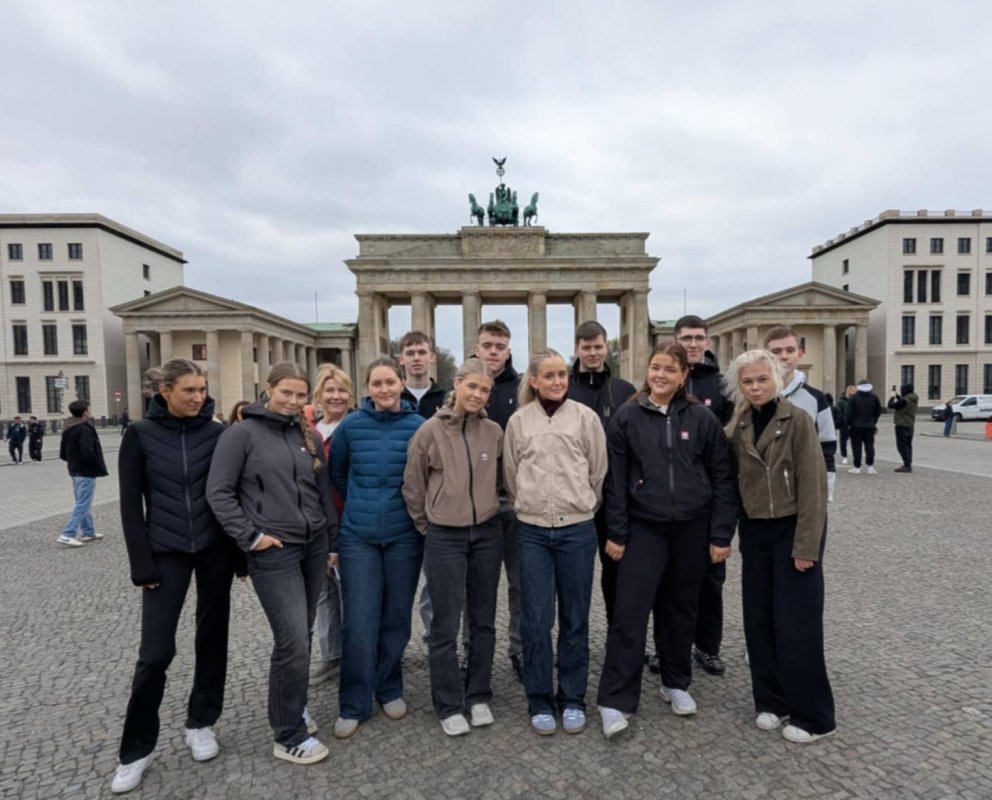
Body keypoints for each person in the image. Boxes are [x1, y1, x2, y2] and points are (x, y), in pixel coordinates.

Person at [109, 360, 243, 795]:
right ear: (164, 391)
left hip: (215, 550)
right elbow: (130, 503)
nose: (199, 397)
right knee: (155, 653)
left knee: (212, 638)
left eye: (202, 389)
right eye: (189, 390)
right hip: (164, 552)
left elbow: (234, 492)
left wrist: (241, 555)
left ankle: (201, 721)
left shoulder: (218, 433)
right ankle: (135, 750)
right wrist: (141, 564)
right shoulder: (139, 434)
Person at [596, 341, 736, 739]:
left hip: (692, 527)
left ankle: (676, 682)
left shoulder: (702, 418)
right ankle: (615, 699)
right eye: (656, 367)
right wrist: (616, 532)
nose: (661, 375)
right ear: (648, 370)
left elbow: (722, 477)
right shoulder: (626, 417)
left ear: (683, 376)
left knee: (680, 610)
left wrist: (720, 533)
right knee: (630, 612)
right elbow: (614, 481)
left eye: (669, 370)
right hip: (643, 527)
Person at [207, 362, 338, 766]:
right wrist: (251, 537)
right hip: (273, 549)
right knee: (292, 639)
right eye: (286, 393)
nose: (294, 401)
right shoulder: (241, 434)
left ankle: (293, 705)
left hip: (313, 545)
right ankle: (287, 734)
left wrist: (330, 542)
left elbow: (321, 493)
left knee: (302, 634)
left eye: (301, 395)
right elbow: (219, 492)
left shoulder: (308, 434)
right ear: (268, 389)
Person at [724, 349, 835, 744]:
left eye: (762, 379)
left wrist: (807, 547)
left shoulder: (798, 420)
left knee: (797, 625)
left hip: (792, 530)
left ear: (776, 379)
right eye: (748, 381)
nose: (755, 387)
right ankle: (771, 700)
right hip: (755, 533)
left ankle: (815, 716)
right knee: (759, 621)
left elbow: (814, 488)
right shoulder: (738, 425)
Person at [503, 348, 607, 736]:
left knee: (575, 618)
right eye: (549, 375)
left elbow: (597, 472)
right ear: (533, 381)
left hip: (577, 530)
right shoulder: (519, 421)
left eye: (562, 374)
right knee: (536, 619)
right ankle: (540, 699)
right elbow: (511, 475)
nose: (558, 381)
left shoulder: (585, 418)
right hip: (532, 531)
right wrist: (531, 505)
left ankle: (573, 697)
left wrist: (580, 503)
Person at [403, 358, 504, 736]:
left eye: (484, 390)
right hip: (445, 535)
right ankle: (447, 703)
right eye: (472, 386)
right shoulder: (429, 431)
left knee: (483, 620)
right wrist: (427, 525)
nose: (477, 394)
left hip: (487, 534)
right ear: (457, 384)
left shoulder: (493, 432)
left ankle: (478, 694)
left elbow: (501, 480)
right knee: (444, 624)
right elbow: (413, 486)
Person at [329, 357, 424, 740]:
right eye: (376, 383)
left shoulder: (419, 426)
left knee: (396, 617)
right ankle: (354, 701)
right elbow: (337, 474)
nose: (384, 389)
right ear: (367, 388)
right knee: (359, 620)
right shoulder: (351, 426)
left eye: (390, 382)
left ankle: (389, 687)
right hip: (359, 537)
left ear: (401, 383)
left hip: (404, 536)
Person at [647, 315, 734, 680]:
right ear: (676, 341)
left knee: (711, 580)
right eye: (687, 338)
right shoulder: (662, 382)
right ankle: (666, 646)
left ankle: (707, 646)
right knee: (667, 580)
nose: (694, 343)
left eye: (699, 338)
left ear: (708, 341)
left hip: (708, 497)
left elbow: (730, 440)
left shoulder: (723, 384)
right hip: (670, 501)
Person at [566, 320, 635, 627]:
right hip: (574, 494)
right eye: (587, 347)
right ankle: (573, 639)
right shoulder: (564, 389)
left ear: (607, 347)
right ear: (577, 349)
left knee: (617, 570)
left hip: (616, 495)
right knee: (574, 574)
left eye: (598, 346)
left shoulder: (624, 390)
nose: (593, 353)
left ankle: (617, 633)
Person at [474, 319, 524, 682]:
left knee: (521, 583)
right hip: (476, 503)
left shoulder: (522, 389)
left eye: (500, 346)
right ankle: (474, 654)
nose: (493, 352)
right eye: (488, 345)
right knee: (477, 587)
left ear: (508, 351)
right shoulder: (464, 387)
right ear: (476, 348)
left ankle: (520, 650)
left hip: (517, 501)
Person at [303, 364, 356, 686]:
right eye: (330, 390)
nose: (336, 396)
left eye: (342, 390)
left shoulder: (355, 427)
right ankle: (331, 654)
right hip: (314, 523)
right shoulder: (307, 431)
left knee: (350, 593)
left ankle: (357, 657)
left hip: (348, 519)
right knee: (323, 594)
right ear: (319, 395)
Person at [763, 327, 837, 502]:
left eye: (790, 350)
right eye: (776, 351)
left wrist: (827, 489)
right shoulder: (755, 396)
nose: (784, 356)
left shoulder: (816, 398)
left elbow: (827, 445)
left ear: (800, 353)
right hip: (764, 490)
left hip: (804, 487)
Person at [57, 400, 108, 547]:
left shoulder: (68, 428)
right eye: (89, 409)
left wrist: (74, 462)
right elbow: (88, 452)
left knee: (82, 501)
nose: (90, 411)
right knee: (83, 504)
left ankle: (88, 531)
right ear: (85, 412)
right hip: (86, 471)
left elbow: (63, 453)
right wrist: (95, 464)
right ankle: (67, 534)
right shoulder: (84, 429)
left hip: (74, 470)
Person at [398, 331, 448, 418]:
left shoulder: (446, 400)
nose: (416, 358)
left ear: (431, 357)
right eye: (410, 353)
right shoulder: (395, 398)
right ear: (401, 359)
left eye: (422, 352)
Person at [845, 380, 882, 475]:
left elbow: (849, 413)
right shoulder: (874, 397)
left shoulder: (854, 398)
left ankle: (857, 467)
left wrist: (850, 424)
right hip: (870, 426)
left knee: (856, 447)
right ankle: (870, 466)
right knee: (869, 446)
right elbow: (878, 411)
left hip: (856, 426)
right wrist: (873, 421)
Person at [887, 384, 918, 472]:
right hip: (910, 425)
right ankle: (908, 463)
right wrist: (897, 395)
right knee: (908, 445)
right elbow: (902, 402)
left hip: (901, 425)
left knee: (902, 446)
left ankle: (907, 465)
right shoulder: (913, 398)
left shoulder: (904, 400)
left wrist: (892, 397)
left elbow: (890, 405)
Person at [837, 386, 855, 465]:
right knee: (843, 441)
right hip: (844, 424)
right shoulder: (841, 401)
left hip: (854, 424)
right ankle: (844, 456)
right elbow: (839, 412)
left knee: (855, 441)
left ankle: (856, 456)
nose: (851, 397)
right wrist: (843, 419)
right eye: (850, 395)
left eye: (853, 395)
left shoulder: (855, 400)